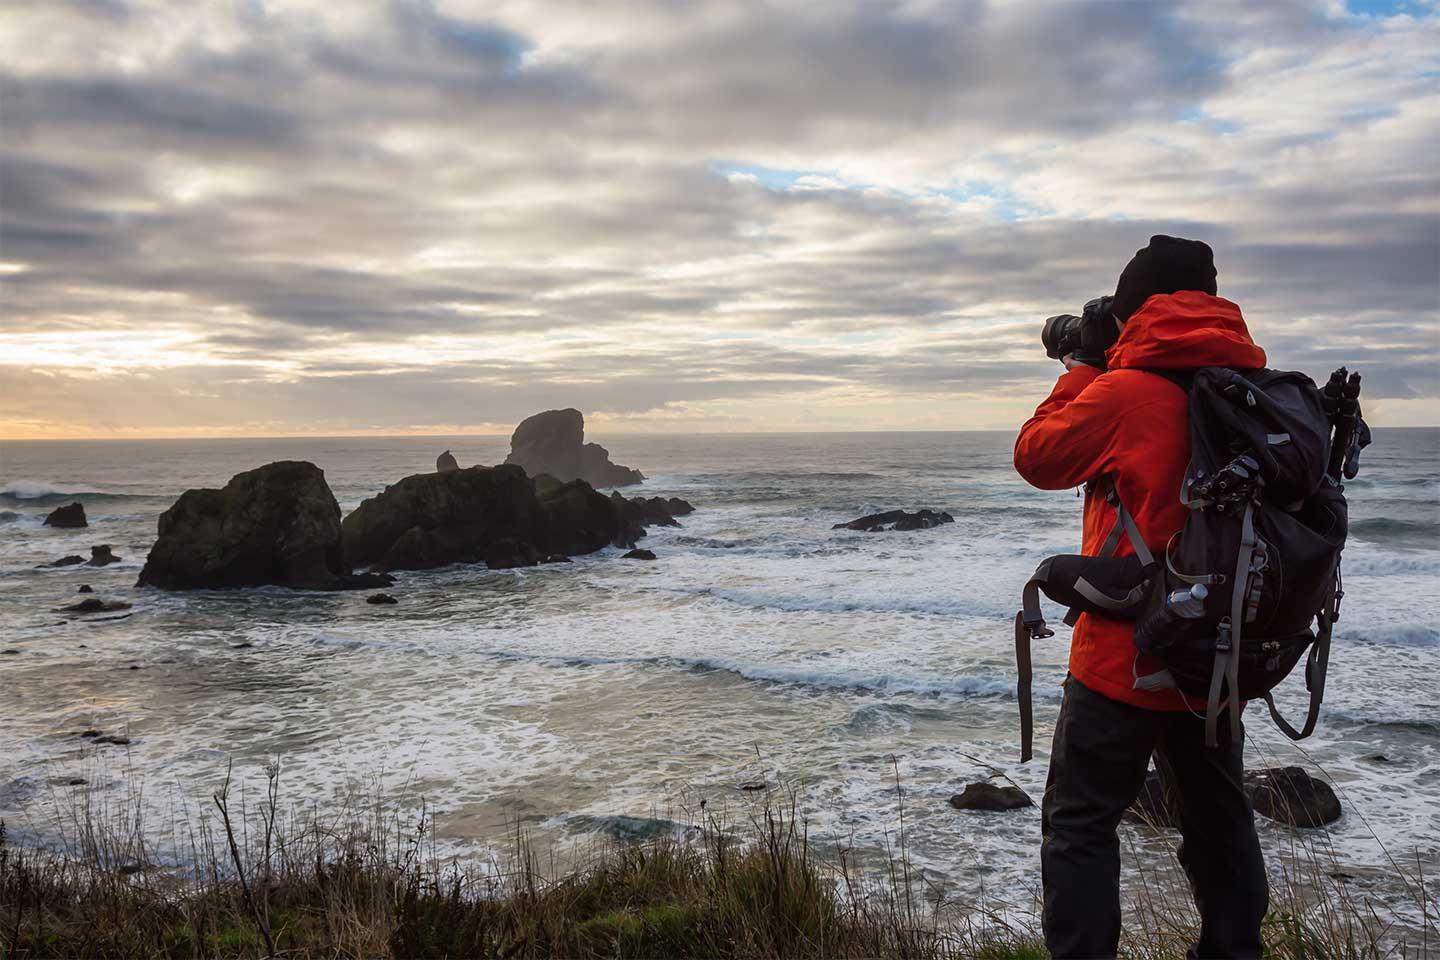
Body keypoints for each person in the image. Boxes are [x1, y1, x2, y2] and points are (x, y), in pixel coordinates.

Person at [1013, 236, 1269, 959]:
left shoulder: (1125, 392)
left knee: (1081, 825)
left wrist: (1083, 369)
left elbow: (1037, 457)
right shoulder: (1249, 391)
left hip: (1125, 658)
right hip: (1218, 659)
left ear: (1135, 313)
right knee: (1220, 819)